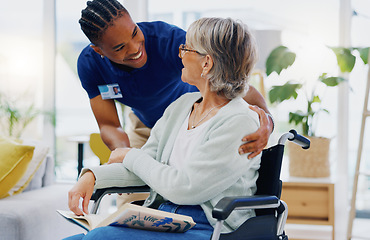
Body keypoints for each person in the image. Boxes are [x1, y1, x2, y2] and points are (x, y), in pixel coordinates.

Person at [65, 17, 261, 240]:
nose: (180, 54)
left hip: (208, 226)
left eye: (186, 49)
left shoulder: (238, 121)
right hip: (167, 218)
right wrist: (93, 176)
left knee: (97, 238)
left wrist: (130, 155)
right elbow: (145, 166)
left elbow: (185, 187)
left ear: (206, 63)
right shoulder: (181, 107)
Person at [77, 0, 274, 159]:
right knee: (131, 199)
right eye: (120, 47)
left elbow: (233, 82)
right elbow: (110, 125)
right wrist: (125, 155)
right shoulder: (90, 65)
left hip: (192, 124)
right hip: (144, 127)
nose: (135, 48)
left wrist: (267, 123)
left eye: (135, 32)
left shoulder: (171, 42)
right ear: (98, 50)